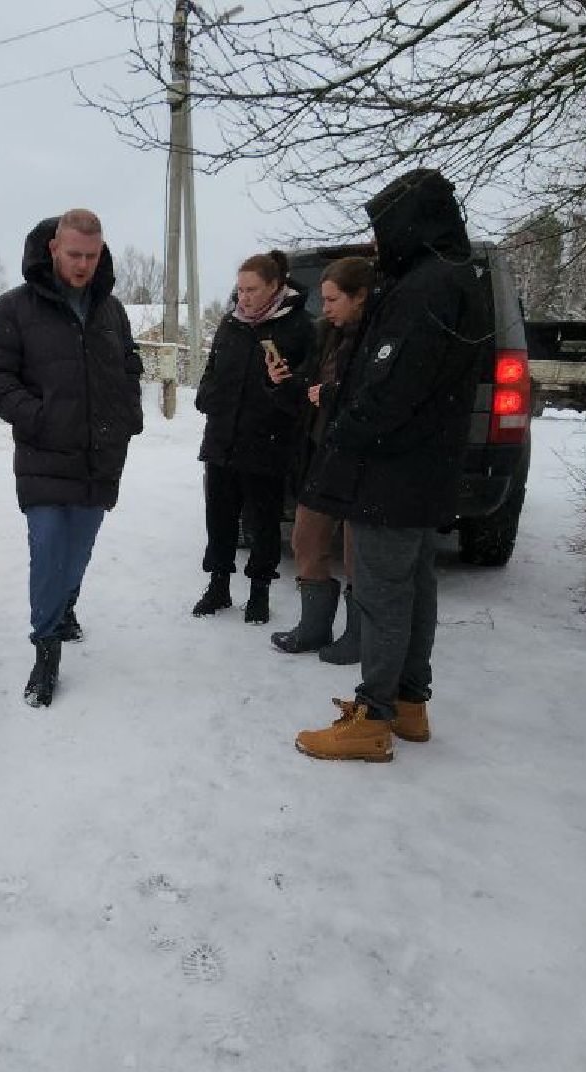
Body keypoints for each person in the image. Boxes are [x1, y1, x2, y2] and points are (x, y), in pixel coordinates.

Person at [294, 169, 494, 762]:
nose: (377, 243)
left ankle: (373, 716)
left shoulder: (425, 288)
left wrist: (342, 435)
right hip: (423, 466)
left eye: (383, 228)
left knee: (382, 591)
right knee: (415, 586)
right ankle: (409, 703)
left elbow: (389, 388)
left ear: (412, 223)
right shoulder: (454, 278)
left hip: (392, 469)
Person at [0, 209, 145, 708]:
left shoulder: (110, 309)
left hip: (100, 455)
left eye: (92, 256)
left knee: (79, 547)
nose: (83, 264)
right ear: (53, 247)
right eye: (74, 254)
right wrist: (39, 417)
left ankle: (64, 606)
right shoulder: (15, 307)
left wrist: (129, 416)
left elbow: (128, 366)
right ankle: (45, 648)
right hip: (45, 452)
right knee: (49, 547)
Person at [190, 251, 318, 625]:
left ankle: (259, 591)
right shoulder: (231, 324)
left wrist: (279, 386)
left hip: (268, 442)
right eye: (240, 289)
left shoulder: (299, 328)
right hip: (222, 438)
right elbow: (212, 372)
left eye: (252, 290)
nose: (243, 297)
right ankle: (218, 586)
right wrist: (207, 396)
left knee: (262, 522)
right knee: (220, 517)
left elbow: (305, 391)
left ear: (276, 286)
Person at [267, 256, 377, 659]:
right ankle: (313, 627)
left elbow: (369, 401)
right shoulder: (325, 336)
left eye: (332, 299)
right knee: (306, 540)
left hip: (359, 460)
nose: (325, 307)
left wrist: (328, 396)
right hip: (320, 454)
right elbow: (312, 390)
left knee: (356, 554)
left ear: (359, 297)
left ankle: (357, 636)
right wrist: (287, 384)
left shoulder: (376, 340)